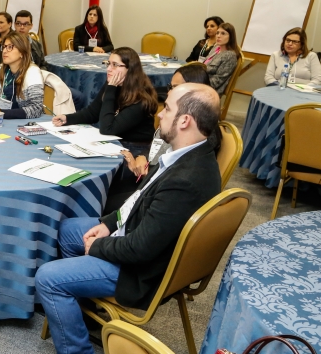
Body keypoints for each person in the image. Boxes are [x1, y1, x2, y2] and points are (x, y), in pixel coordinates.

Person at [32, 83, 222, 354]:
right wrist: (108, 223)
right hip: (137, 237)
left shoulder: (186, 181)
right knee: (69, 229)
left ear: (185, 121)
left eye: (168, 108)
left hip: (141, 271)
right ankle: (82, 311)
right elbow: (139, 199)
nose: (160, 114)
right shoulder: (190, 154)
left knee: (47, 277)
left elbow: (139, 249)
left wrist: (97, 246)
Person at [107, 63, 219, 213]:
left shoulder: (203, 134)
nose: (169, 92)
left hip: (156, 188)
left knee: (106, 200)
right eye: (170, 86)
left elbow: (176, 169)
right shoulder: (175, 120)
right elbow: (157, 144)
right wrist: (142, 157)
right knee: (108, 186)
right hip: (149, 175)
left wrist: (148, 168)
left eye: (176, 88)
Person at [52, 47, 157, 155]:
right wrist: (67, 118)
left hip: (137, 148)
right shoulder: (112, 84)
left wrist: (111, 89)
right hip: (115, 141)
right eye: (108, 63)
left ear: (130, 69)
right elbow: (92, 113)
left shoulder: (141, 99)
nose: (109, 69)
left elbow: (107, 128)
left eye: (115, 65)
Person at [0, 32, 44, 120]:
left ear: (22, 52)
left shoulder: (32, 72)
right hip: (3, 120)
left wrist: (2, 112)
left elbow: (36, 109)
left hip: (27, 122)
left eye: (10, 47)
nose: (5, 51)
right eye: (4, 47)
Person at [204, 22, 241, 95]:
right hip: (201, 81)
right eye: (217, 33)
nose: (218, 36)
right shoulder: (216, 48)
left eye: (223, 33)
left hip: (209, 91)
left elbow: (217, 81)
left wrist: (196, 82)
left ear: (231, 37)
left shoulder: (230, 56)